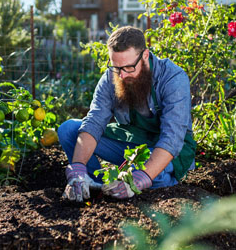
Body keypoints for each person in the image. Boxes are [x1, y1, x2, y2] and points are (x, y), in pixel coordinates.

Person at [58, 26, 196, 202]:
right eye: (116, 67)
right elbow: (94, 122)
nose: (122, 75)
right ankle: (96, 187)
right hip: (133, 142)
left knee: (151, 177)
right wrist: (77, 167)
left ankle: (160, 186)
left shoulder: (172, 78)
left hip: (168, 148)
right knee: (69, 129)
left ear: (145, 55)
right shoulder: (111, 78)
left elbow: (173, 137)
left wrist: (140, 179)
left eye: (129, 67)